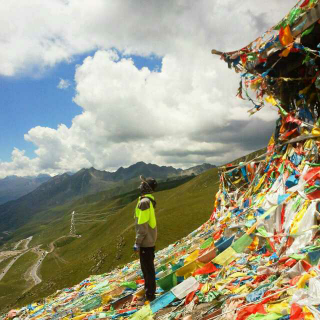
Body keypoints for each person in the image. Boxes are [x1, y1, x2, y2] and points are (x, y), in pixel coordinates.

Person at [134, 175, 158, 304]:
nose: (140, 186)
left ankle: (149, 296)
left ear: (146, 187)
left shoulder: (144, 203)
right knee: (148, 268)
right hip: (149, 240)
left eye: (142, 184)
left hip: (145, 241)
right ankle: (150, 292)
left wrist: (137, 243)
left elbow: (142, 225)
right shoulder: (148, 201)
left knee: (147, 269)